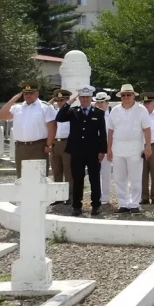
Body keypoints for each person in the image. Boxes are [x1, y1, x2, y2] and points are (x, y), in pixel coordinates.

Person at [55, 85, 108, 216]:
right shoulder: (73, 111)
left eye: (87, 97)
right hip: (77, 151)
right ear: (79, 98)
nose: (85, 100)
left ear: (91, 98)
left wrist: (102, 151)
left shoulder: (98, 113)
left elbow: (102, 133)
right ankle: (76, 206)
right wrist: (69, 102)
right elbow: (59, 117)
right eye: (82, 97)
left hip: (93, 152)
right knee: (77, 178)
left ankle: (96, 205)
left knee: (94, 179)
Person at [107, 84, 152, 214]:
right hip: (118, 148)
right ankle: (123, 203)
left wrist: (147, 147)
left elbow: (147, 129)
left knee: (135, 178)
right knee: (119, 178)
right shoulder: (115, 110)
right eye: (123, 95)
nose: (126, 97)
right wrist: (109, 149)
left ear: (133, 95)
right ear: (120, 96)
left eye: (128, 94)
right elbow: (110, 131)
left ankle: (134, 204)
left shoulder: (141, 109)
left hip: (135, 148)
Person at [0, 81, 56, 177]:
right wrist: (13, 99)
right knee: (22, 177)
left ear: (37, 93)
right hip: (21, 147)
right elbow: (1, 116)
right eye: (26, 93)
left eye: (31, 93)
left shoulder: (45, 107)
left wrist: (49, 145)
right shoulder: (17, 107)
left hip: (39, 146)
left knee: (39, 177)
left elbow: (52, 127)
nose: (28, 96)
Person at [49, 89, 73, 205]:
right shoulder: (54, 111)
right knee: (56, 170)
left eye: (62, 100)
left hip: (67, 143)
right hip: (55, 143)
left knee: (68, 171)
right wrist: (51, 101)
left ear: (68, 100)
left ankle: (69, 195)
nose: (59, 102)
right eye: (57, 100)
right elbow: (44, 108)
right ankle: (58, 196)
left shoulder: (71, 112)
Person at [94, 92, 113, 205]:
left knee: (106, 173)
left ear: (107, 103)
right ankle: (97, 194)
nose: (100, 105)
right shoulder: (93, 114)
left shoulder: (111, 116)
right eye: (99, 102)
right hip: (94, 147)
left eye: (103, 102)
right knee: (95, 173)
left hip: (107, 147)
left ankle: (105, 196)